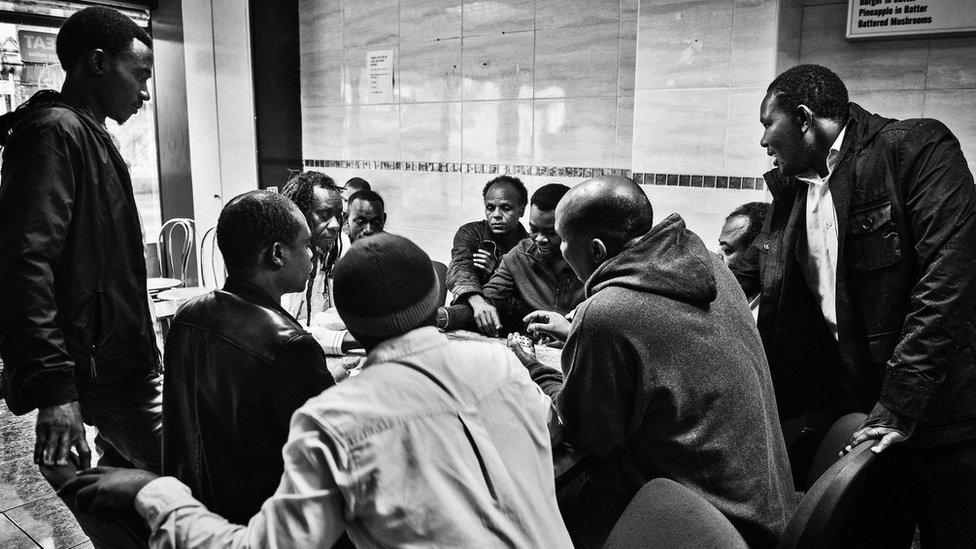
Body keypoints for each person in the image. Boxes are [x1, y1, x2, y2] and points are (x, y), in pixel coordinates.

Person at [60, 233, 574, 548]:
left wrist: (155, 492)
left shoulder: (335, 420)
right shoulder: (502, 365)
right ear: (437, 296)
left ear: (345, 317)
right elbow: (545, 429)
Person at [735, 64, 976, 547]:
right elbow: (761, 275)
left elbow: (948, 283)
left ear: (804, 118)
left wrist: (900, 403)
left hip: (942, 411)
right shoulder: (795, 188)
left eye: (768, 125)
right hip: (862, 407)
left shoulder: (914, 149)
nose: (764, 142)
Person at [510, 176, 795, 548]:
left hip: (707, 526)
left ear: (596, 250)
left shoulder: (607, 314)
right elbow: (669, 348)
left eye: (564, 240)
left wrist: (535, 369)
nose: (559, 248)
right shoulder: (711, 268)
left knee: (530, 508)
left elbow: (590, 437)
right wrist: (576, 336)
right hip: (767, 507)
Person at [0, 6, 162, 474]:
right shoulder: (54, 132)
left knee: (128, 487)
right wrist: (55, 391)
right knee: (196, 475)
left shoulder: (86, 133)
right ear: (97, 63)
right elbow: (24, 264)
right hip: (100, 373)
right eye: (140, 75)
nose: (145, 92)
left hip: (116, 364)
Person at [162, 190, 335, 524]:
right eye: (306, 244)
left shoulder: (188, 316)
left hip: (194, 514)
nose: (313, 254)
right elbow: (328, 449)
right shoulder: (288, 345)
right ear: (277, 254)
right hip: (260, 524)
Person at [440, 184, 584, 336]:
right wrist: (447, 316)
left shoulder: (592, 259)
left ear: (571, 227)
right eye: (534, 230)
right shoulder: (519, 256)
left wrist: (569, 333)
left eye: (550, 232)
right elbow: (488, 299)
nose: (540, 239)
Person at [280, 171, 359, 360]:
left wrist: (310, 326)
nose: (335, 225)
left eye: (338, 216)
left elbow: (349, 309)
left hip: (328, 354)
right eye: (324, 215)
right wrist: (344, 339)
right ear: (299, 214)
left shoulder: (340, 244)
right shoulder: (281, 254)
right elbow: (282, 330)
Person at [446, 175, 529, 334]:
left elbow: (528, 299)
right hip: (469, 321)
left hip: (512, 329)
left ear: (522, 209)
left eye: (505, 208)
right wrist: (477, 301)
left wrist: (497, 271)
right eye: (490, 208)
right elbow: (459, 269)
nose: (496, 215)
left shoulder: (530, 246)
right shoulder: (470, 233)